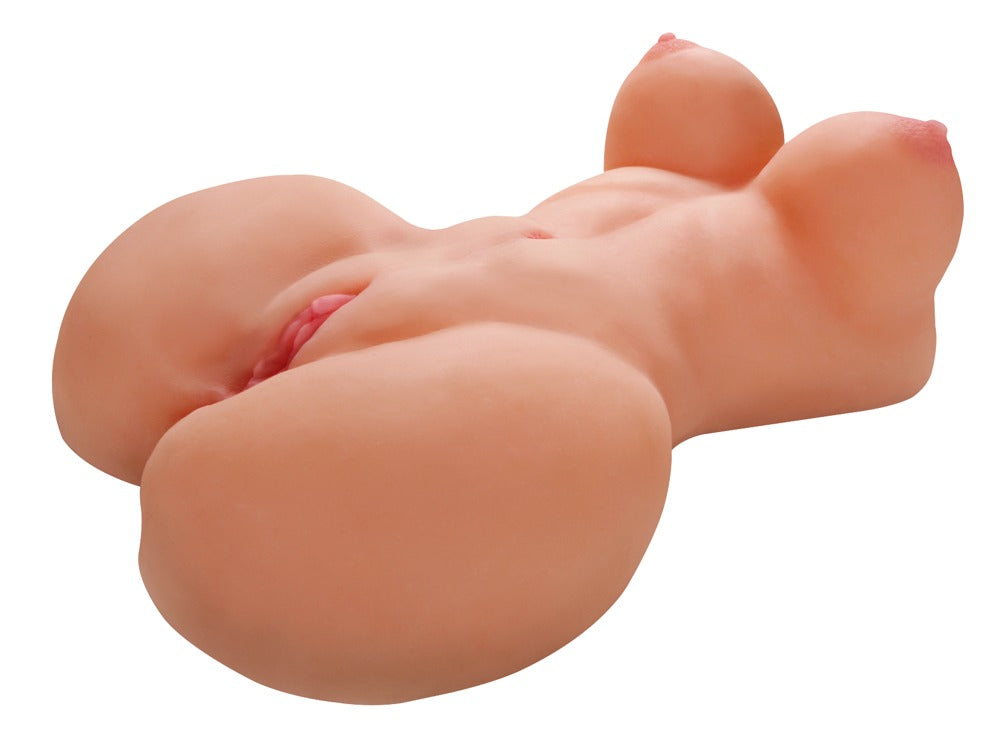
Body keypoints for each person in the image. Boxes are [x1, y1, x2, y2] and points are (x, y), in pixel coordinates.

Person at [52, 33, 962, 704]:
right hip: (429, 275)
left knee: (597, 413)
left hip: (562, 347)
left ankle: (245, 522)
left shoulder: (840, 300)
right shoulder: (730, 206)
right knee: (586, 400)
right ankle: (241, 513)